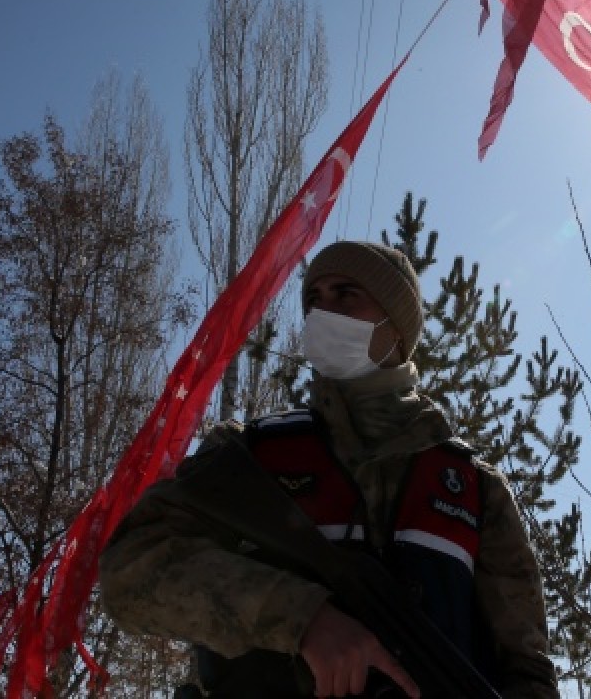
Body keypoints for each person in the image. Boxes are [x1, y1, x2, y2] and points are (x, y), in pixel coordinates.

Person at [99, 240, 559, 698]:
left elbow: (527, 666)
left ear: (396, 326)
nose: (323, 313)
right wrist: (300, 617)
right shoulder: (250, 453)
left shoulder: (474, 488)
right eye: (314, 300)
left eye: (345, 294)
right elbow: (131, 569)